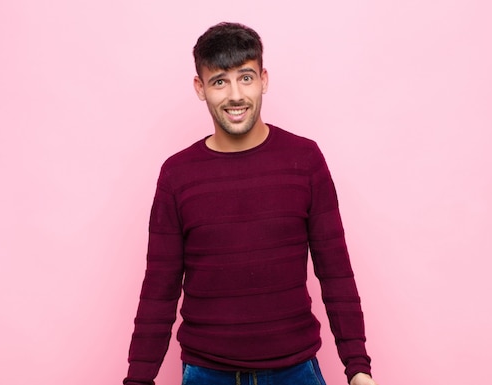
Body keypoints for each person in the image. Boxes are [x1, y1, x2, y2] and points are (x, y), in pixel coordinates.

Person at [124, 22, 377, 385]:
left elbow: (335, 272)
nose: (235, 95)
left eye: (246, 77)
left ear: (264, 79)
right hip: (206, 374)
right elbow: (158, 289)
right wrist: (138, 378)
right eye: (219, 81)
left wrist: (358, 368)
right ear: (201, 88)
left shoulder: (305, 160)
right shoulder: (177, 175)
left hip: (296, 371)